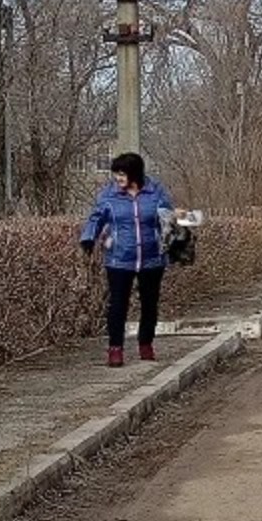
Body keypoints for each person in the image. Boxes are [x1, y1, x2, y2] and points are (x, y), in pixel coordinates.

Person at [79, 152, 175, 367]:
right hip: (119, 258)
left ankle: (146, 343)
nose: (118, 178)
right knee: (117, 304)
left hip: (152, 258)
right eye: (116, 174)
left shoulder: (155, 191)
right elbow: (96, 218)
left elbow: (168, 218)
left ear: (135, 174)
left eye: (122, 174)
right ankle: (115, 348)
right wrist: (88, 238)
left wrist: (175, 238)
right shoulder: (109, 195)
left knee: (150, 304)